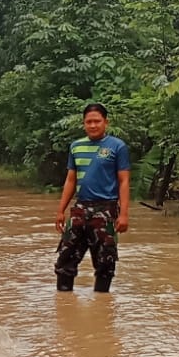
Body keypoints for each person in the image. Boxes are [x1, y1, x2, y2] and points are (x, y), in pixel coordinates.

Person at [55, 103, 132, 293]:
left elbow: (124, 181)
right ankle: (64, 305)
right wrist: (60, 211)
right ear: (84, 124)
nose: (93, 125)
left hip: (106, 209)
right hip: (80, 208)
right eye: (88, 122)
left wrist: (123, 214)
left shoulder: (117, 146)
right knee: (65, 258)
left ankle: (103, 305)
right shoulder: (76, 147)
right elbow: (71, 180)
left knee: (105, 261)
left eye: (97, 121)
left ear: (105, 122)